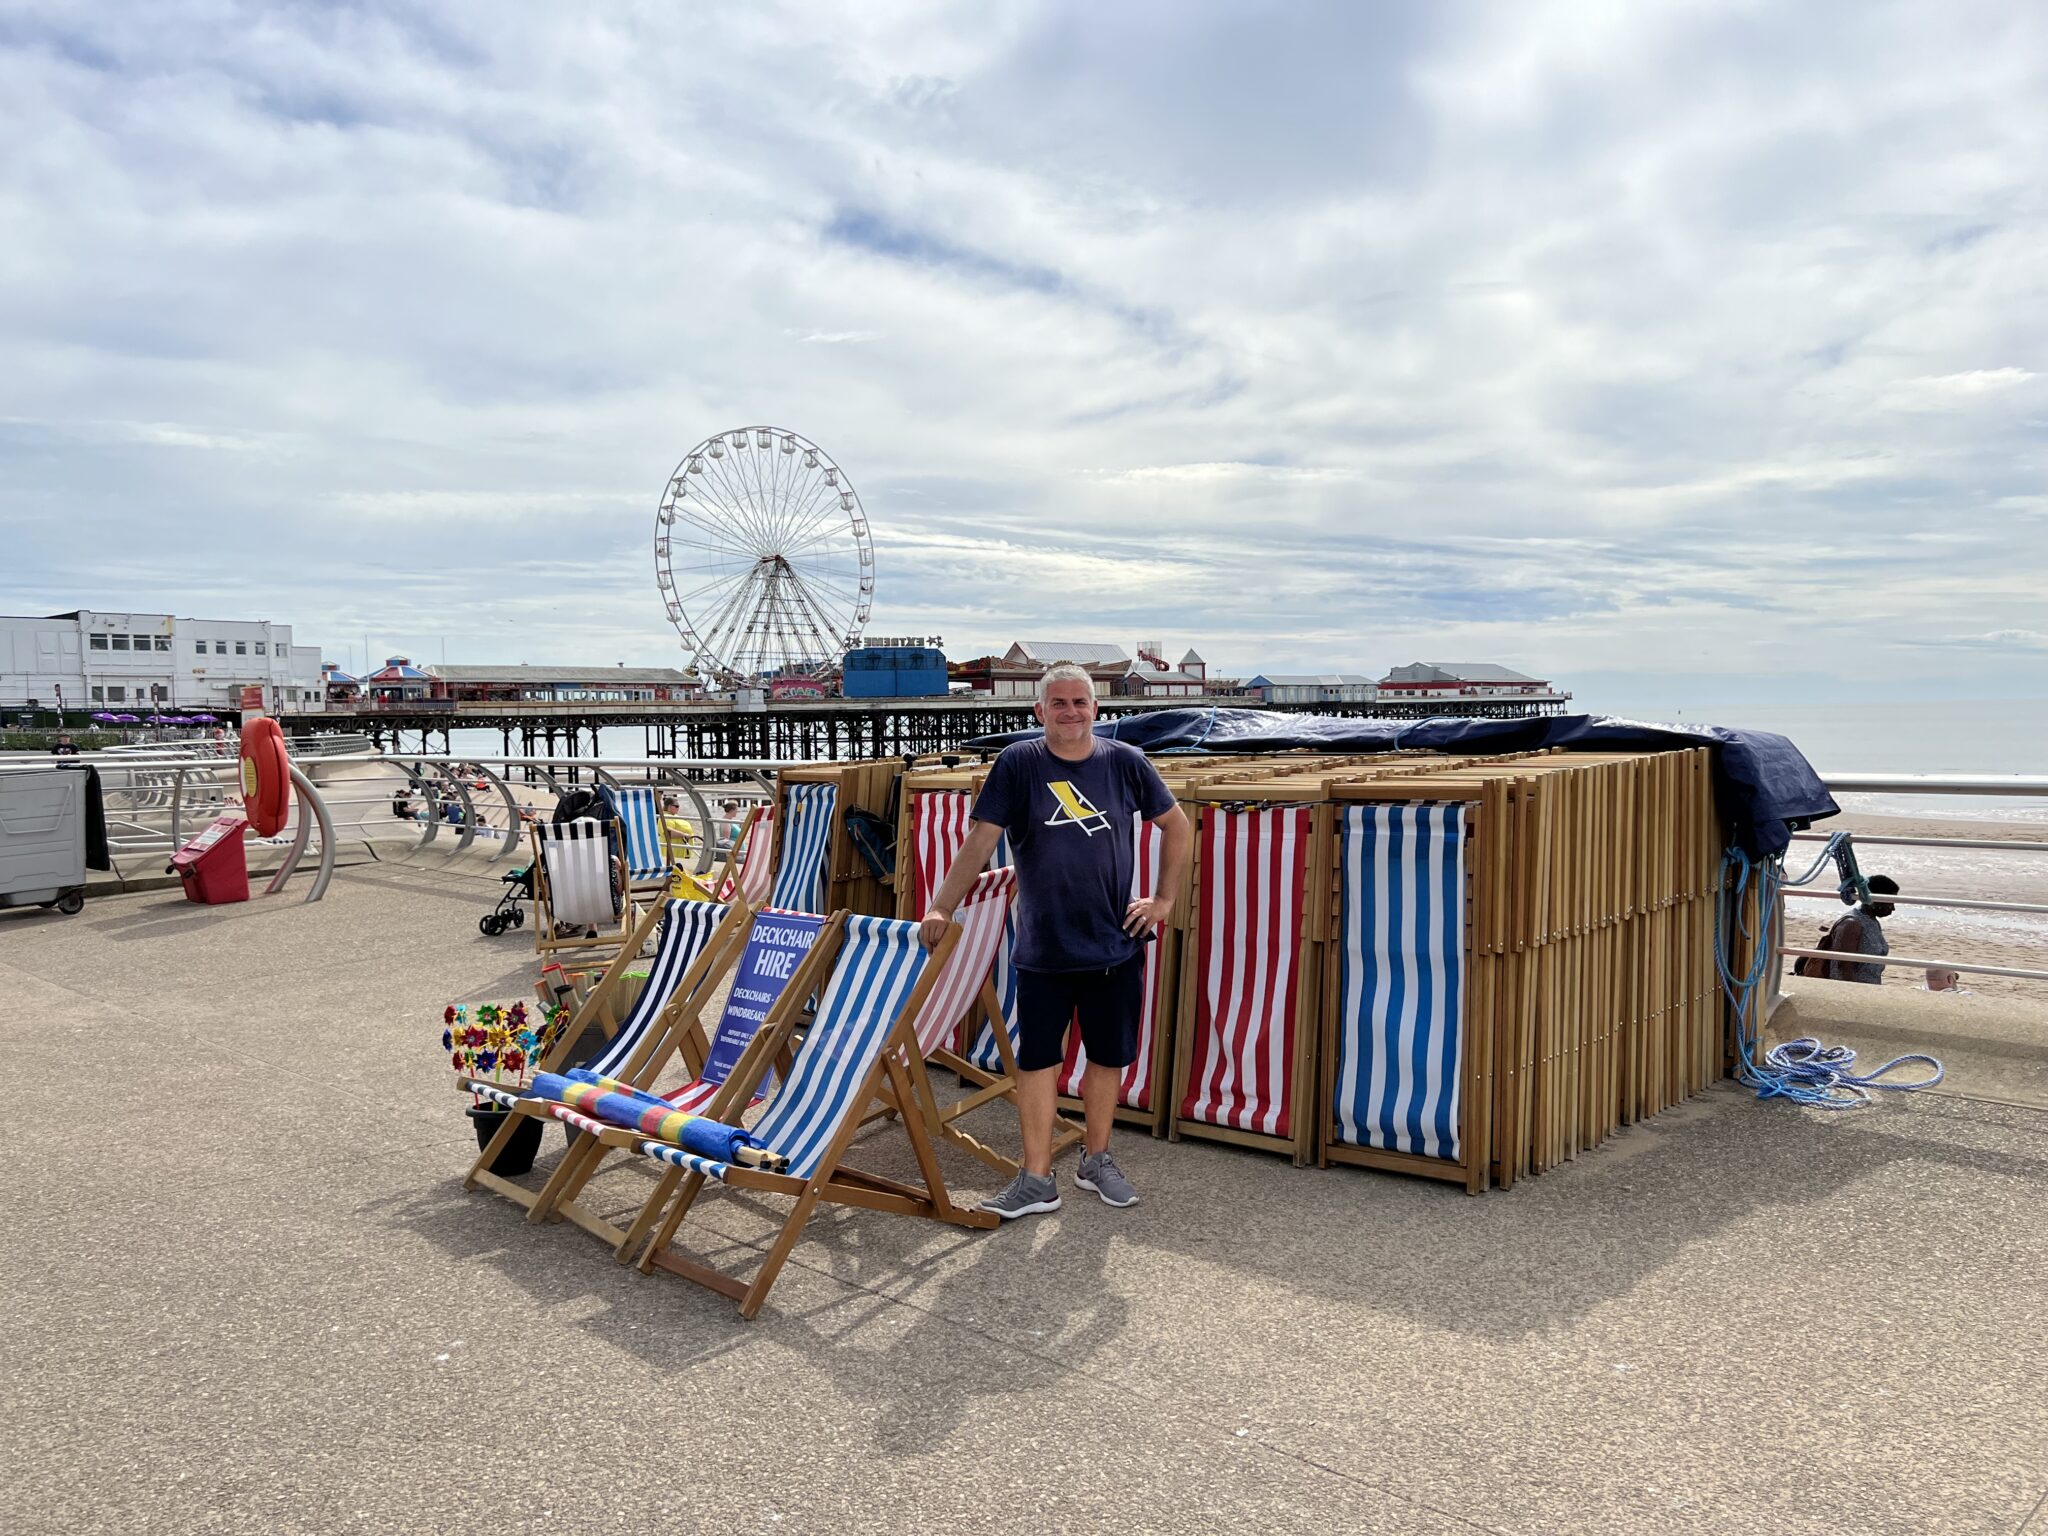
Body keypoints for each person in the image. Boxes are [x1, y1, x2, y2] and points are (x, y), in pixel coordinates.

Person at [920, 663, 1191, 1218]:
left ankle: (1097, 1160)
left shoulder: (1126, 763)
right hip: (1044, 946)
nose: (1071, 711)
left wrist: (1163, 901)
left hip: (1115, 943)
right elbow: (980, 842)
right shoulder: (1018, 764)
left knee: (1106, 1057)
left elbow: (1178, 826)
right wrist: (942, 904)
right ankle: (1037, 1178)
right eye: (1059, 703)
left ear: (1097, 708)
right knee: (1039, 1059)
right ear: (1038, 711)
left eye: (1081, 702)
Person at [1825, 874, 1898, 984]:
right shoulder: (1852, 924)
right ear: (1876, 899)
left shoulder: (1872, 921)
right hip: (1854, 989)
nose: (1893, 908)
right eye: (1890, 902)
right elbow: (1844, 968)